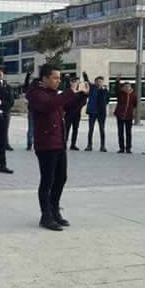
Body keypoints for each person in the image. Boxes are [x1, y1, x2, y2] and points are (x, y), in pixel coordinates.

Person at [27, 64, 89, 231]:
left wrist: (82, 96)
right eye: (55, 78)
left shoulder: (55, 95)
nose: (58, 81)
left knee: (61, 178)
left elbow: (67, 107)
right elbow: (49, 105)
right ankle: (45, 215)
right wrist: (70, 91)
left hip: (59, 142)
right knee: (47, 180)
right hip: (46, 144)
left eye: (59, 78)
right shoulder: (36, 94)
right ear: (45, 78)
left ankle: (55, 210)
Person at [83, 72, 109, 152]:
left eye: (100, 82)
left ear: (102, 82)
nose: (99, 83)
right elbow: (87, 80)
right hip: (92, 112)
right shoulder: (92, 88)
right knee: (91, 129)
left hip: (101, 113)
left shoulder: (105, 91)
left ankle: (102, 146)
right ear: (95, 82)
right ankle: (89, 145)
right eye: (97, 81)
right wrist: (85, 75)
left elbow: (107, 100)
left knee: (102, 129)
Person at [114, 78, 137, 154]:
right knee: (120, 132)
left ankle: (128, 148)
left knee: (128, 133)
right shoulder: (120, 94)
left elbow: (135, 105)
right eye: (125, 87)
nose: (127, 88)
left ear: (131, 87)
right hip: (120, 115)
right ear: (123, 87)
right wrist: (117, 81)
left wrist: (133, 113)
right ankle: (121, 148)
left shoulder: (133, 95)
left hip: (129, 116)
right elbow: (116, 88)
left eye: (128, 86)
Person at [63, 75, 84, 151]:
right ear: (71, 82)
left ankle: (73, 144)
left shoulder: (81, 92)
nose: (76, 83)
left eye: (78, 82)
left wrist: (78, 108)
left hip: (77, 113)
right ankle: (64, 143)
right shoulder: (68, 90)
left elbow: (83, 101)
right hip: (68, 113)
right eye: (75, 82)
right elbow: (64, 101)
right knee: (66, 129)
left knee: (75, 129)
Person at [24, 72, 35, 151]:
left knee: (31, 128)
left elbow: (26, 85)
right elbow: (26, 85)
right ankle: (30, 143)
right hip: (33, 111)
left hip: (32, 111)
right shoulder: (35, 91)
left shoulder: (30, 91)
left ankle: (29, 144)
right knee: (33, 128)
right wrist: (28, 76)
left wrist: (28, 76)